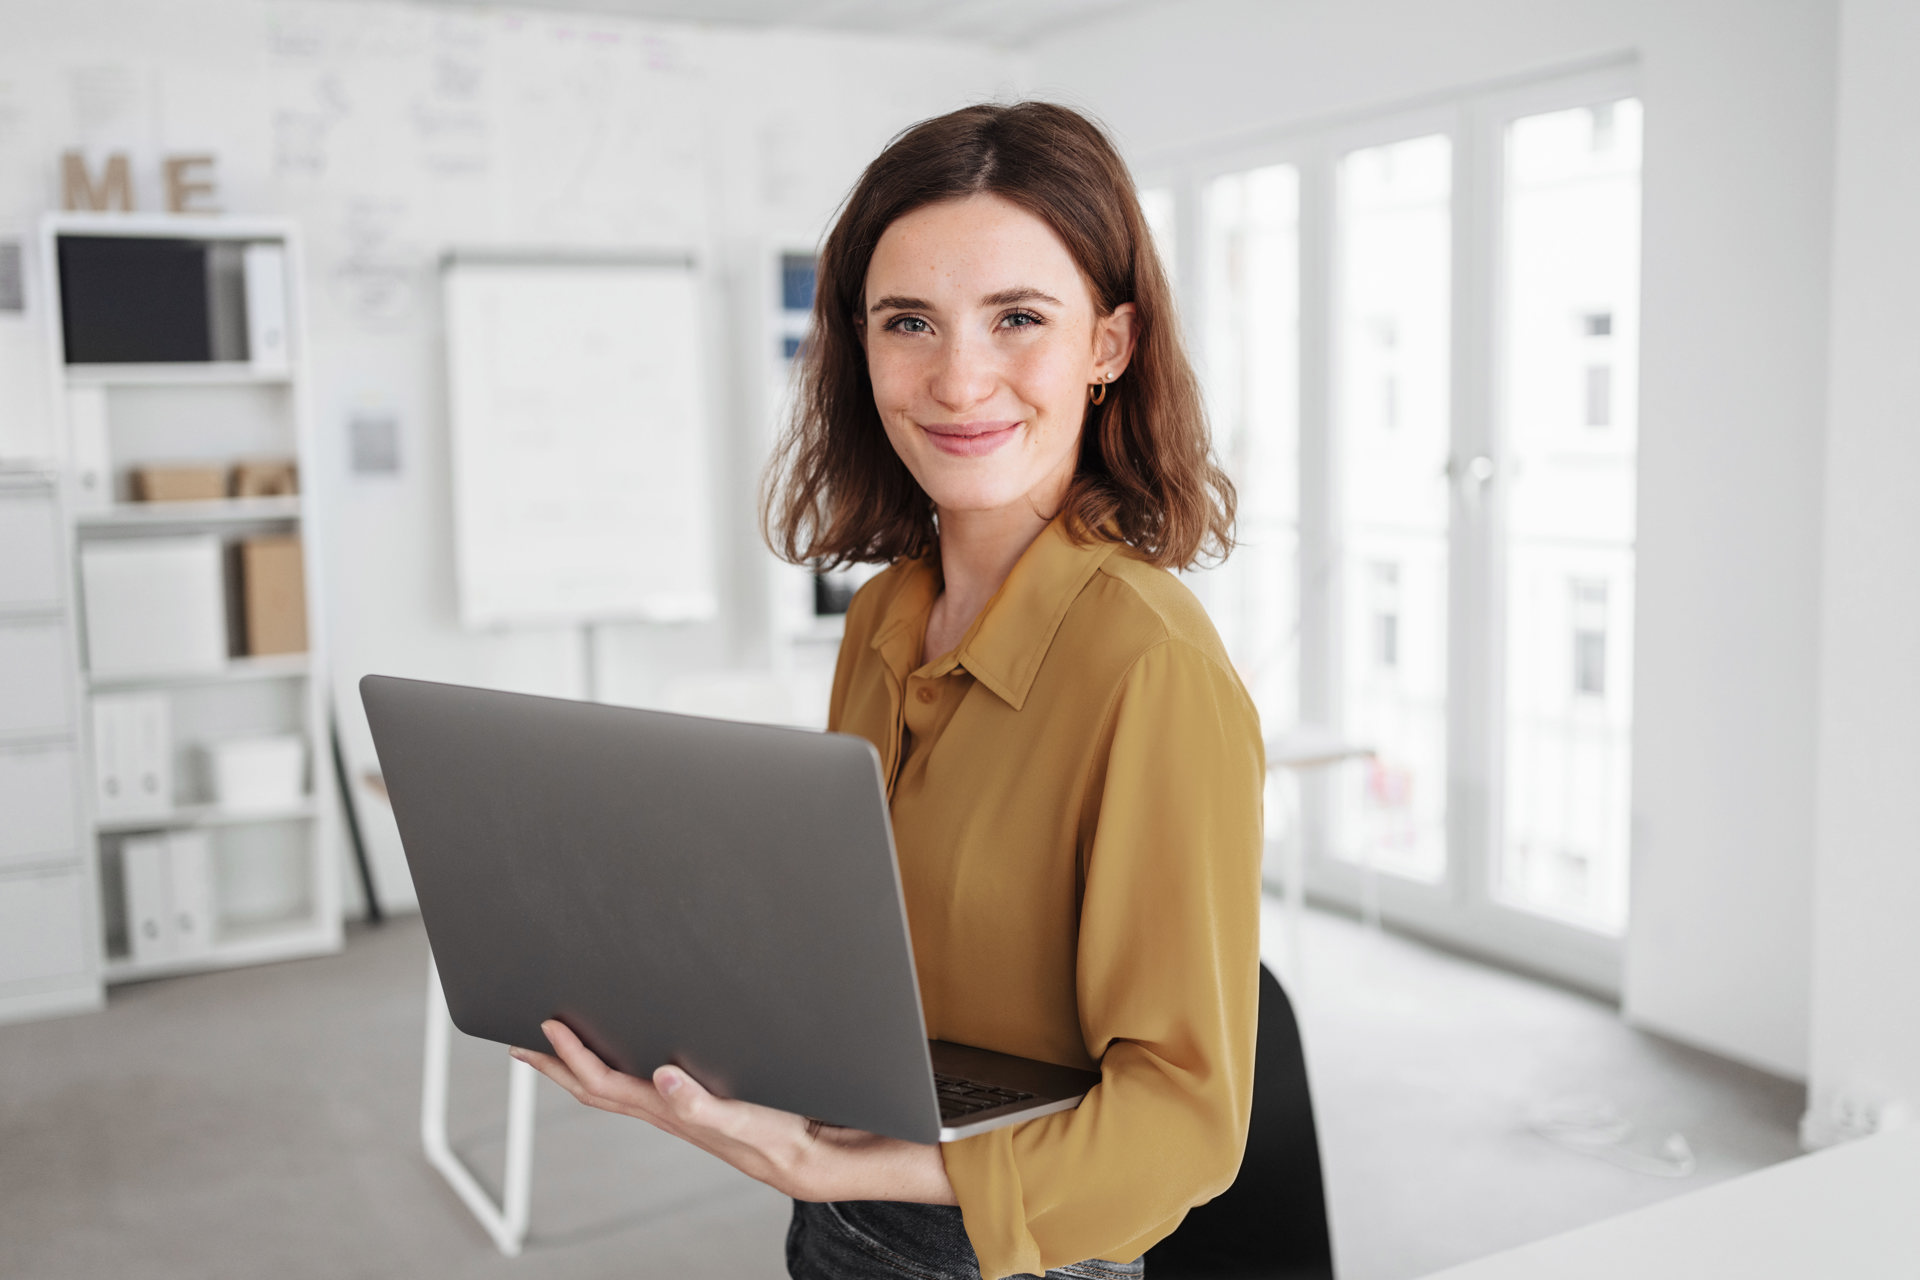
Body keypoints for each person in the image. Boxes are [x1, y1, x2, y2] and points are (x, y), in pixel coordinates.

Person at [511, 101, 1265, 1280]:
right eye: (909, 321)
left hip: (1021, 1252)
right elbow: (864, 960)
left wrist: (868, 1167)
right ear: (859, 349)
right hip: (838, 1225)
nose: (960, 379)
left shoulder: (1149, 663)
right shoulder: (883, 615)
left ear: (1109, 346)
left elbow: (1186, 1128)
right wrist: (689, 1045)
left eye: (1019, 317)